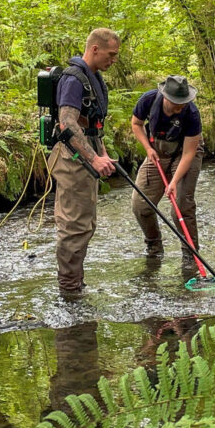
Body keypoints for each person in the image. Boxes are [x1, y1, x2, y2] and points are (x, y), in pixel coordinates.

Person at [49, 28, 120, 295]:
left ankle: (75, 284)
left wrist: (101, 154)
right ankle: (68, 290)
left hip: (86, 158)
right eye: (111, 54)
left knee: (86, 225)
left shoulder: (94, 78)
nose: (113, 60)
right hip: (72, 160)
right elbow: (67, 123)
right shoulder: (74, 79)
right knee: (74, 227)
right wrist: (93, 158)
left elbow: (93, 125)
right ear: (94, 49)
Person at [130, 75, 203, 259]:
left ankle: (190, 254)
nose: (180, 106)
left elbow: (188, 154)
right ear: (165, 97)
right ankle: (154, 249)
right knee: (141, 205)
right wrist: (147, 148)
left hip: (185, 153)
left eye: (183, 102)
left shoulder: (192, 114)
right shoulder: (148, 100)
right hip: (157, 152)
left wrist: (174, 182)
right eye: (176, 102)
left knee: (181, 205)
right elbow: (136, 124)